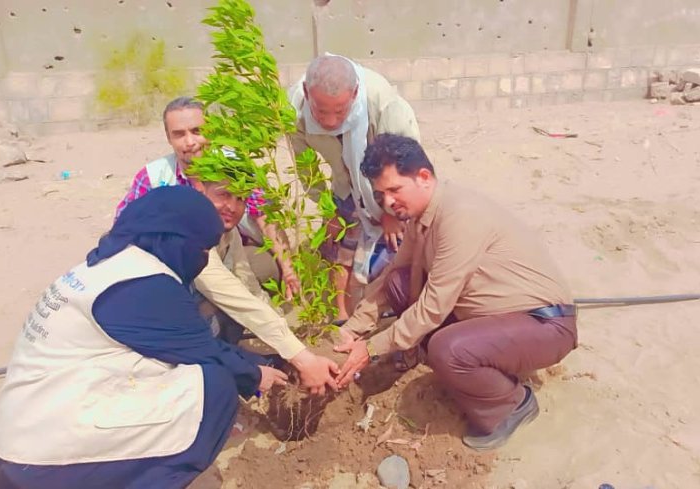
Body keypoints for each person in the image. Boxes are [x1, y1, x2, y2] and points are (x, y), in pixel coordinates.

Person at [0, 186, 288, 489]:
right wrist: (259, 374)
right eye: (201, 247)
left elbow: (187, 344)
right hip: (48, 446)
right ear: (174, 239)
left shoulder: (115, 262)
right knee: (214, 386)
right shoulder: (144, 286)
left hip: (27, 422)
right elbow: (208, 354)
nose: (203, 258)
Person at [333, 134, 578, 451]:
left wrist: (371, 347)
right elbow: (391, 277)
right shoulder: (421, 217)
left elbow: (434, 307)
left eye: (395, 190)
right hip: (491, 317)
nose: (389, 202)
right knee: (399, 282)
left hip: (545, 326)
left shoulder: (460, 215)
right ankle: (438, 354)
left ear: (423, 177)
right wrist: (353, 329)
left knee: (447, 349)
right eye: (381, 195)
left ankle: (512, 404)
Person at [115, 96, 299, 298]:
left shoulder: (235, 167)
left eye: (197, 131)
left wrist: (289, 271)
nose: (190, 142)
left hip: (235, 252)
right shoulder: (153, 177)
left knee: (265, 267)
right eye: (179, 134)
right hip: (177, 262)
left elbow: (265, 218)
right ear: (168, 138)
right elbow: (123, 227)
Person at [289, 54, 420, 320]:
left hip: (387, 190)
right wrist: (328, 207)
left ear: (355, 93)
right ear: (306, 92)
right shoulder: (294, 109)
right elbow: (306, 168)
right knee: (338, 249)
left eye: (340, 111)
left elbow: (406, 165)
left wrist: (390, 212)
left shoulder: (383, 104)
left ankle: (392, 308)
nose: (330, 121)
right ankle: (341, 313)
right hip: (345, 189)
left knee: (396, 255)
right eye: (321, 111)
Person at [192, 178, 340, 395]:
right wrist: (301, 357)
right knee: (219, 315)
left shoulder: (229, 233)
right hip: (163, 335)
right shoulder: (195, 238)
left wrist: (286, 338)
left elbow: (248, 285)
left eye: (241, 198)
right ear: (200, 190)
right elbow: (240, 303)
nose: (232, 207)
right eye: (223, 195)